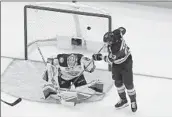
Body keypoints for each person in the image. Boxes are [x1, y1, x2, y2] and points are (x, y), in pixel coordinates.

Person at [92, 27, 137, 112]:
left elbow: (109, 60)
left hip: (126, 63)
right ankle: (123, 100)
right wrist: (115, 33)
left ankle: (133, 101)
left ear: (111, 40)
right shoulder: (117, 33)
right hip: (117, 64)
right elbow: (123, 29)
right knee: (118, 83)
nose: (107, 44)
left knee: (128, 84)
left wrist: (100, 57)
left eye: (108, 42)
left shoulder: (115, 49)